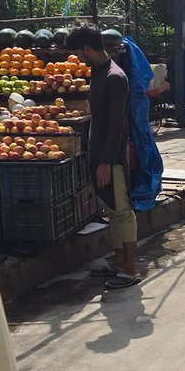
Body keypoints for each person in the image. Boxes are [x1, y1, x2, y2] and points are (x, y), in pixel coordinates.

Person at [65, 24, 141, 290]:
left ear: (87, 48)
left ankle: (131, 268)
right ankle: (119, 261)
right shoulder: (97, 73)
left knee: (122, 211)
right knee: (111, 210)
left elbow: (118, 124)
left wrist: (107, 162)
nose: (77, 58)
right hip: (99, 155)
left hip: (112, 158)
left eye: (78, 52)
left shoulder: (115, 77)